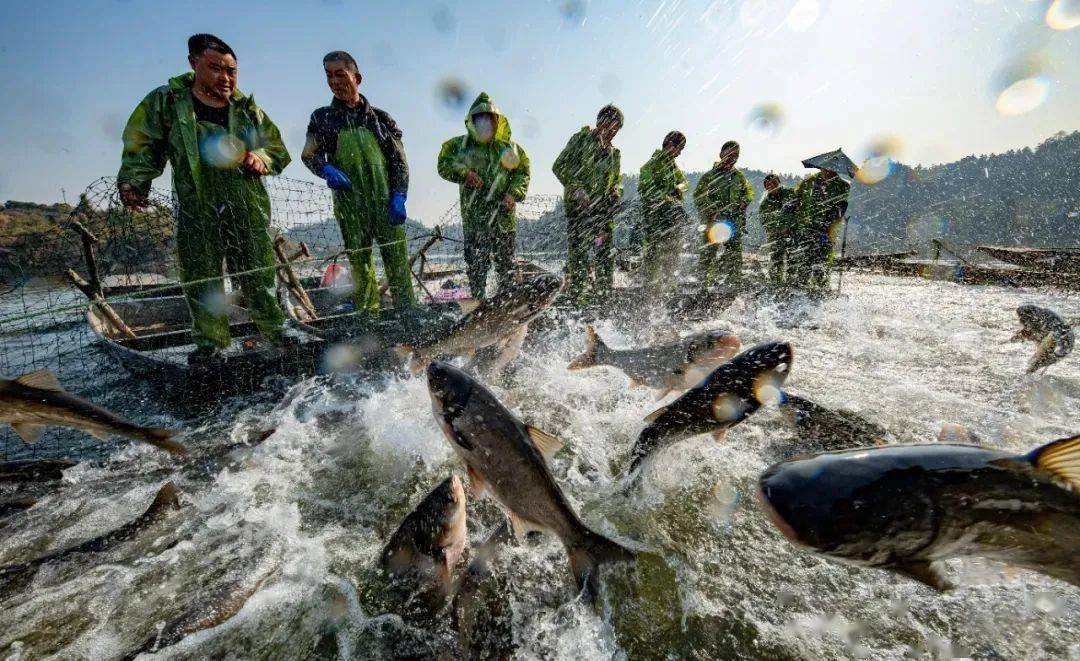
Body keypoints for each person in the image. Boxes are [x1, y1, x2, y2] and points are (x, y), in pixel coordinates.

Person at [118, 34, 291, 364]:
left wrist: (261, 158)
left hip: (247, 206)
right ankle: (211, 345)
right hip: (196, 206)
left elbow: (278, 150)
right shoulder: (166, 102)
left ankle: (277, 331)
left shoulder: (248, 110)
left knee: (258, 272)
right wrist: (134, 180)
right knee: (202, 277)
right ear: (193, 64)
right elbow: (143, 144)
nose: (226, 78)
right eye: (216, 68)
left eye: (232, 71)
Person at [302, 50, 413, 316]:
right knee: (360, 264)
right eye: (328, 76)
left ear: (357, 77)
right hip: (350, 204)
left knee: (397, 261)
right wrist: (325, 168)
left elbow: (399, 160)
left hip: (386, 202)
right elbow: (309, 155)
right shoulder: (322, 118)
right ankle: (369, 319)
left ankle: (409, 315)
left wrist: (399, 194)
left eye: (340, 74)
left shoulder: (381, 119)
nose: (334, 81)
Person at [437, 93, 530, 299]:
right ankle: (478, 307)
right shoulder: (459, 146)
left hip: (504, 222)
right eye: (480, 120)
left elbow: (522, 172)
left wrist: (513, 194)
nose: (486, 124)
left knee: (506, 269)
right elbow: (444, 164)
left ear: (498, 121)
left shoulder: (509, 149)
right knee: (477, 270)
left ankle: (506, 308)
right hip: (475, 221)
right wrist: (465, 173)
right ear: (472, 122)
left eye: (491, 119)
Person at [552, 105, 624, 306]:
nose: (612, 132)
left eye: (616, 129)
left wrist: (615, 191)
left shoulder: (614, 153)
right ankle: (578, 301)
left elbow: (617, 179)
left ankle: (604, 299)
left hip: (603, 213)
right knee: (580, 257)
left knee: (604, 254)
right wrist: (577, 188)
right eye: (610, 126)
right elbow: (559, 166)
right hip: (580, 211)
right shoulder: (581, 140)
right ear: (600, 122)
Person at [693, 140, 753, 295]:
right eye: (730, 154)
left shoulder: (739, 177)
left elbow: (749, 193)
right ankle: (702, 288)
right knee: (708, 255)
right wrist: (712, 209)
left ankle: (733, 287)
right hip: (714, 222)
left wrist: (744, 201)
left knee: (734, 256)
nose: (733, 158)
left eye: (736, 156)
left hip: (734, 222)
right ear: (721, 155)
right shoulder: (710, 176)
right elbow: (698, 195)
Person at [637, 131, 689, 299]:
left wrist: (678, 189)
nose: (679, 152)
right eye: (678, 148)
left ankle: (670, 294)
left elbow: (685, 183)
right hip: (655, 220)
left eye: (682, 149)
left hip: (672, 220)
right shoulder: (652, 164)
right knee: (653, 256)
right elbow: (646, 189)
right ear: (669, 145)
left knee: (673, 256)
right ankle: (650, 295)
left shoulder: (673, 167)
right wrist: (666, 198)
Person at [792, 167, 850, 293]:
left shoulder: (843, 185)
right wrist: (793, 204)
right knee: (804, 259)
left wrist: (833, 215)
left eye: (831, 170)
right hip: (806, 227)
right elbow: (797, 196)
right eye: (825, 169)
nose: (828, 172)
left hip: (827, 229)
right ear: (820, 167)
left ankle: (821, 290)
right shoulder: (808, 181)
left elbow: (843, 205)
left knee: (822, 261)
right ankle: (801, 288)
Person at [759, 174, 798, 287]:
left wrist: (791, 226)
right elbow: (765, 222)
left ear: (779, 183)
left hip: (794, 232)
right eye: (768, 184)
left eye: (774, 183)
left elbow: (801, 208)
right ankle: (776, 285)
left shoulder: (791, 193)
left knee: (794, 259)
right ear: (766, 187)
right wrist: (780, 229)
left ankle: (793, 284)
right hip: (776, 236)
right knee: (776, 261)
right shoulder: (765, 204)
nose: (772, 186)